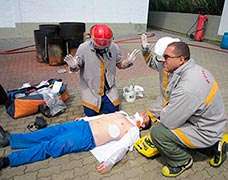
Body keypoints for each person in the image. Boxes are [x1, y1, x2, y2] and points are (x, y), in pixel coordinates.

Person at [141, 37, 227, 177]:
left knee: (158, 132)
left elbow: (169, 121)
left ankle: (181, 161)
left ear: (181, 59)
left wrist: (153, 119)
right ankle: (214, 147)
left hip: (204, 130)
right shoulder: (192, 69)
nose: (163, 60)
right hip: (210, 122)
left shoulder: (188, 87)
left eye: (166, 57)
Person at [0, 111, 151, 173]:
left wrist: (110, 162)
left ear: (143, 125)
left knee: (51, 146)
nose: (143, 113)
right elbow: (102, 116)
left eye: (146, 117)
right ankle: (11, 140)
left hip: (87, 138)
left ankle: (9, 160)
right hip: (82, 125)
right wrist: (85, 119)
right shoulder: (123, 113)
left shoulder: (133, 131)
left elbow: (123, 148)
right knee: (48, 132)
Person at [64, 24, 140, 117]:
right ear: (92, 38)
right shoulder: (83, 48)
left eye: (106, 42)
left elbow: (120, 64)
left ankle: (107, 102)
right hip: (91, 89)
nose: (103, 45)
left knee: (113, 113)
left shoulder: (114, 47)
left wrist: (128, 62)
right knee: (91, 115)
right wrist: (74, 66)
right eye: (100, 42)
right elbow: (77, 65)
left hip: (109, 89)